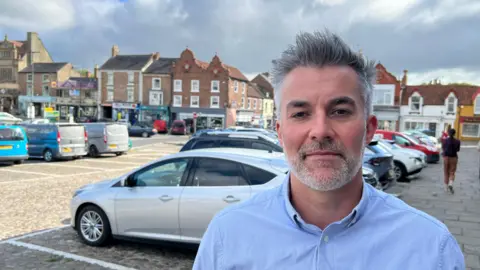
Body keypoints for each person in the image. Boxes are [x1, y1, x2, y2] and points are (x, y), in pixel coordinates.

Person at [192, 30, 464, 269]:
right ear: (280, 132)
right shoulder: (227, 236)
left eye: (340, 111)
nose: (320, 130)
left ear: (370, 129)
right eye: (300, 114)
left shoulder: (431, 249)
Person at [442, 128, 461, 194]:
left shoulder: (445, 140)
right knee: (452, 172)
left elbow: (443, 148)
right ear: (454, 133)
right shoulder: (458, 141)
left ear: (448, 133)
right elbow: (458, 150)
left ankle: (446, 188)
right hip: (454, 158)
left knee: (446, 172)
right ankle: (450, 183)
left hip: (446, 157)